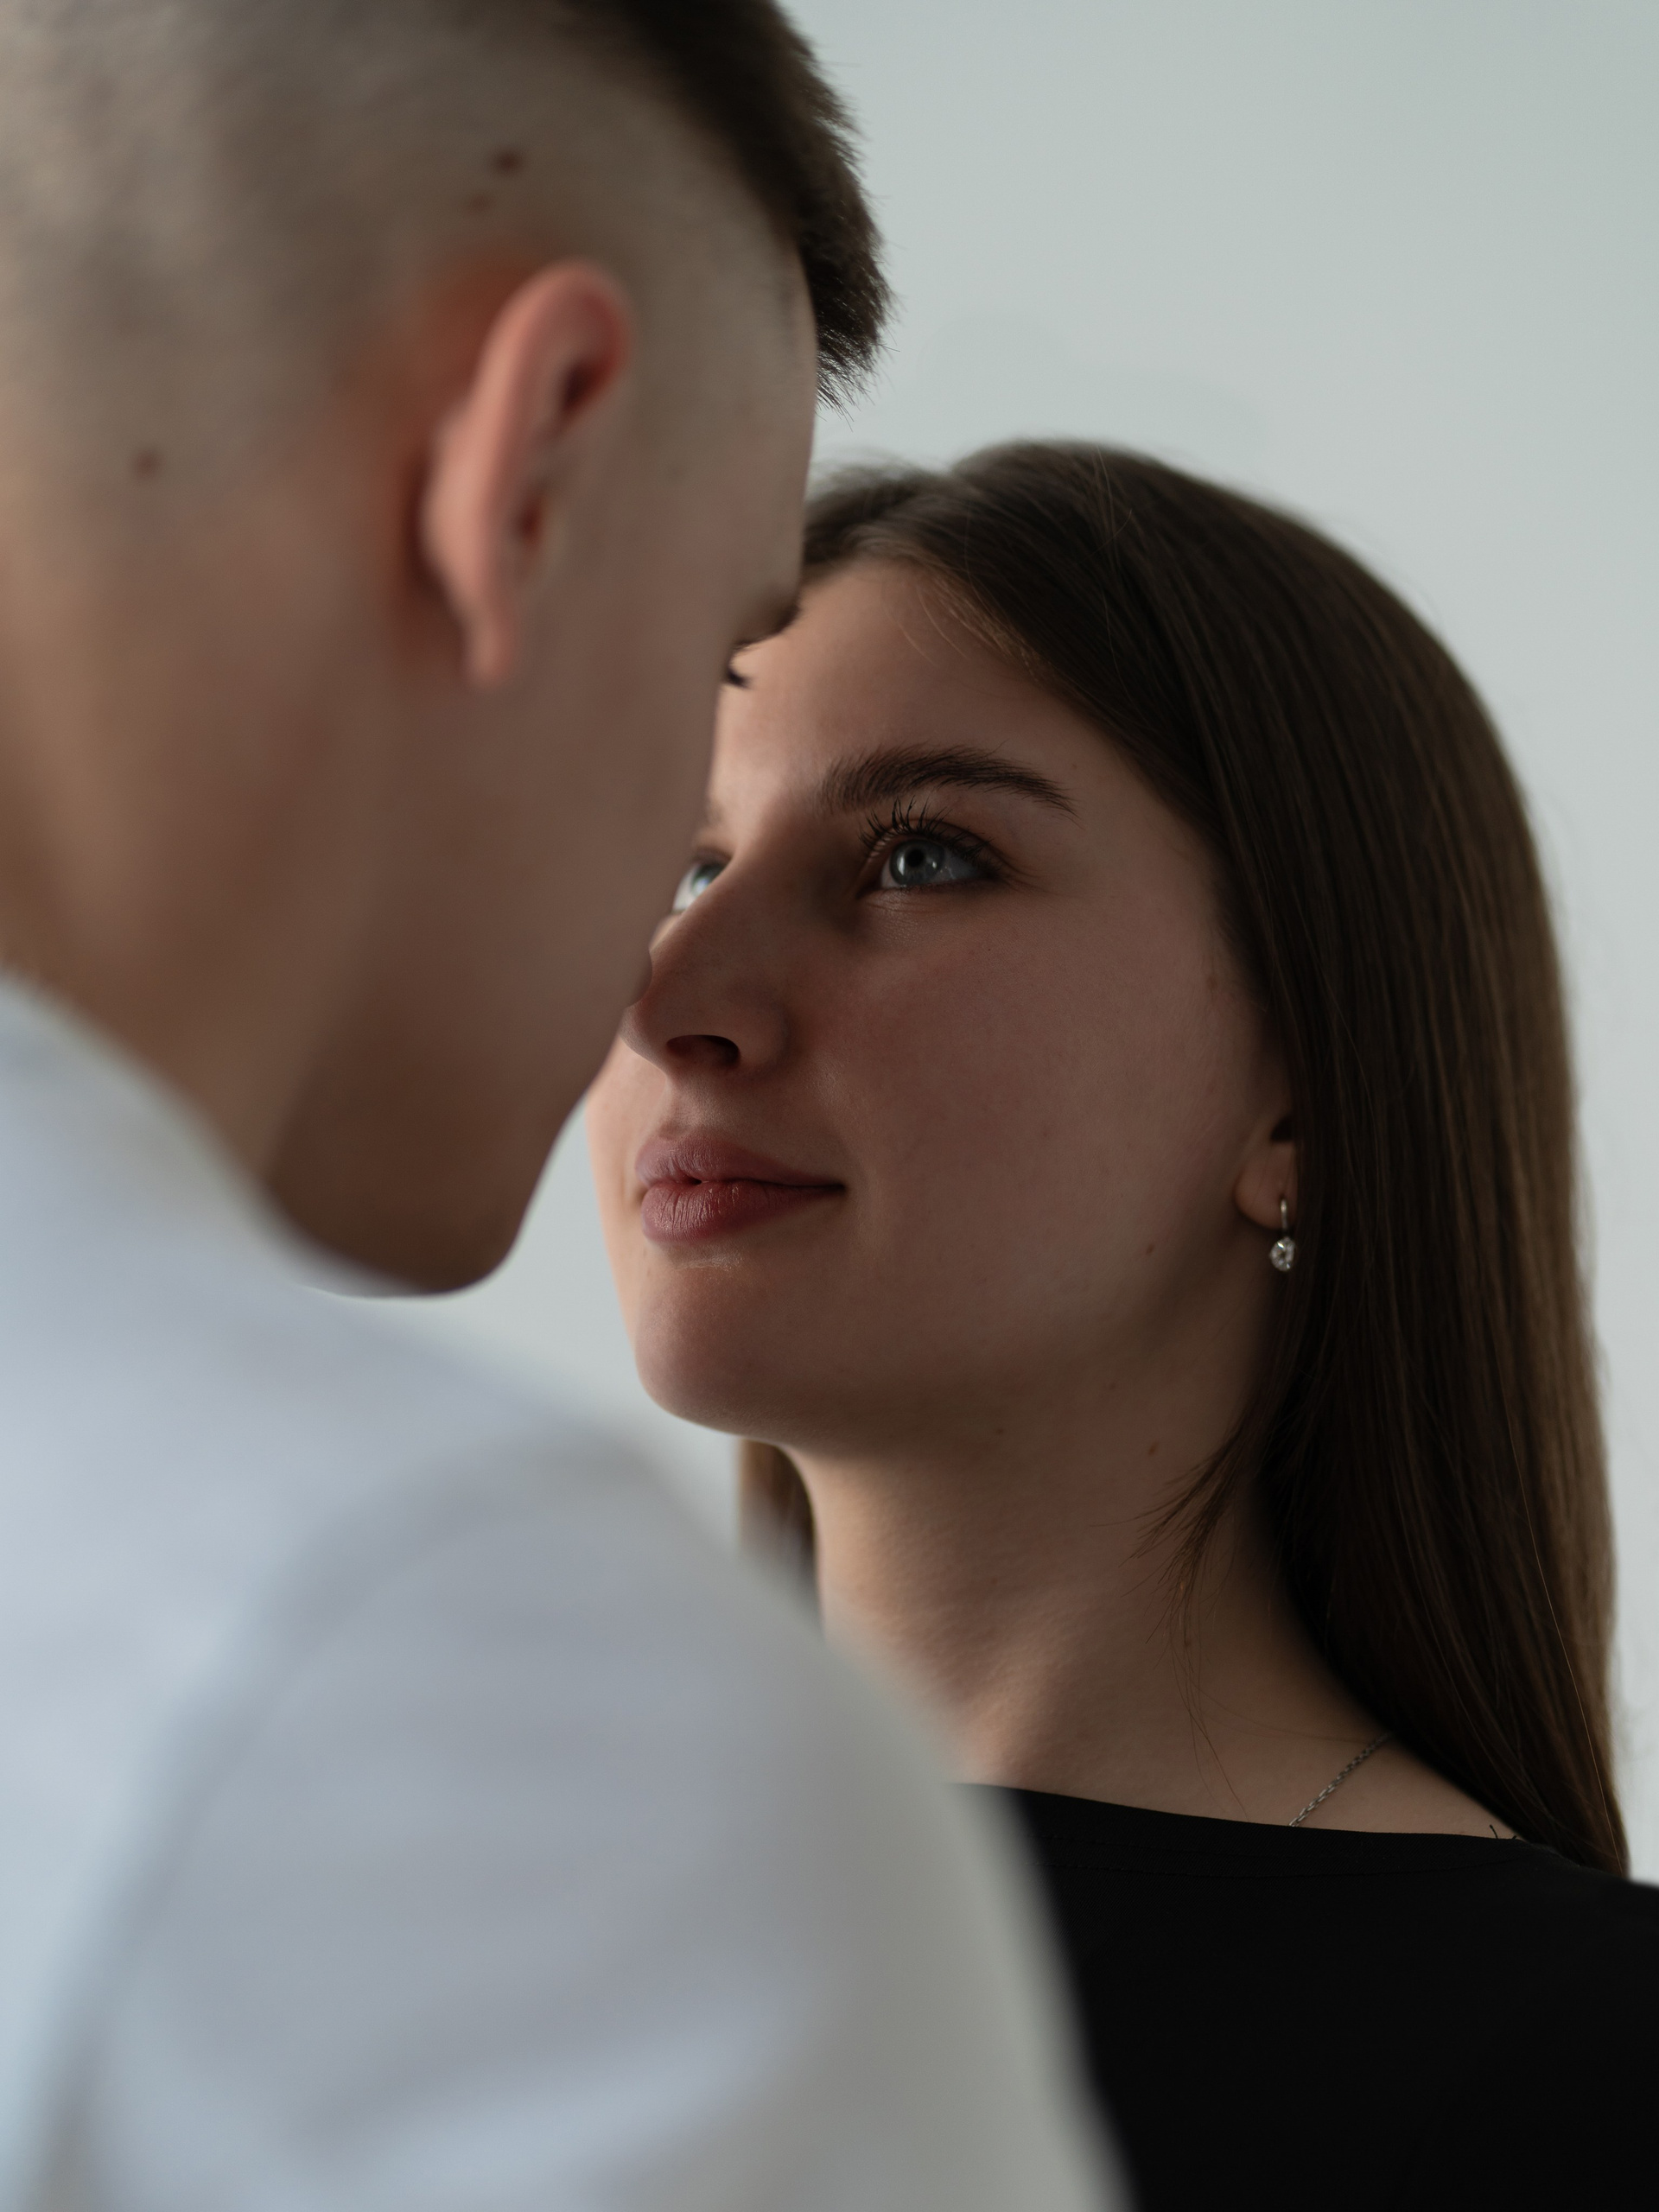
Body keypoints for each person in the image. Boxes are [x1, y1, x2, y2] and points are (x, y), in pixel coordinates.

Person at [0, 7, 1114, 2207]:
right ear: (531, 469)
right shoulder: (485, 1717)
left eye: (921, 858)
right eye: (709, 668)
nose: (669, 993)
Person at [588, 441, 1659, 2209]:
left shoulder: (1597, 2079)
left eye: (921, 856)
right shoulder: (437, 1935)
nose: (666, 995)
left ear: (1303, 1099)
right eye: (687, 867)